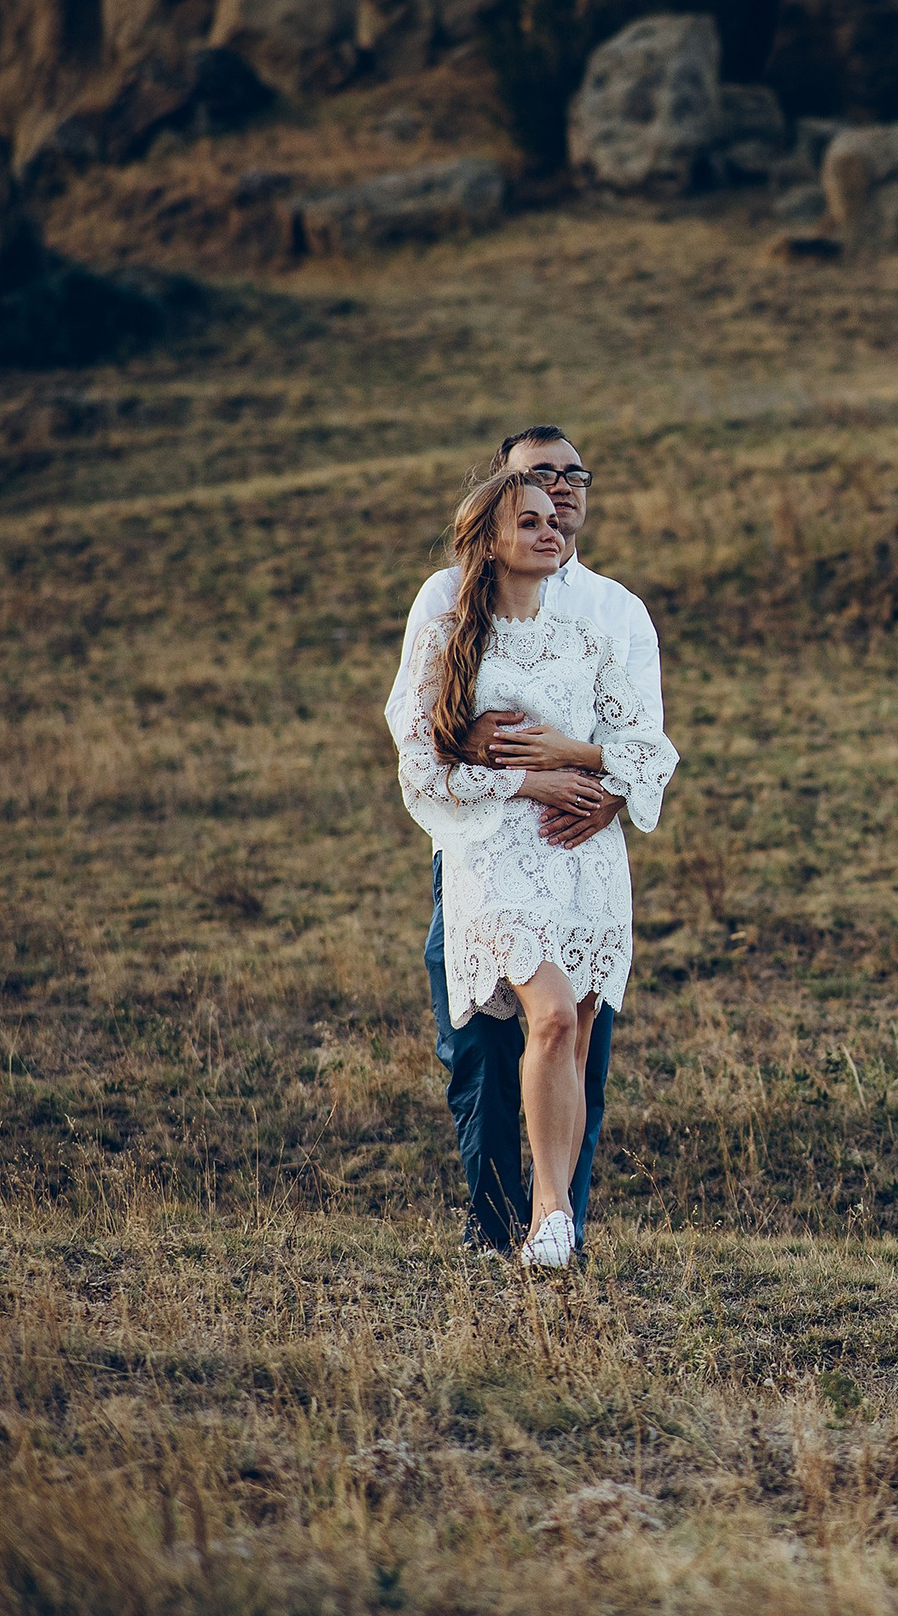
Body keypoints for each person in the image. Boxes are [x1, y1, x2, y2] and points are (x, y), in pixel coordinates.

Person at [384, 428, 668, 1262]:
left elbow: (642, 742)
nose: (559, 496)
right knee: (479, 1044)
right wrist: (495, 756)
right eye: (537, 483)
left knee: (576, 1041)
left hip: (581, 850)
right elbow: (422, 732)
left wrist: (596, 783)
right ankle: (494, 1222)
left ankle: (558, 1225)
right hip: (481, 849)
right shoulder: (446, 599)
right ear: (497, 504)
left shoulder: (612, 615)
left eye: (571, 478)